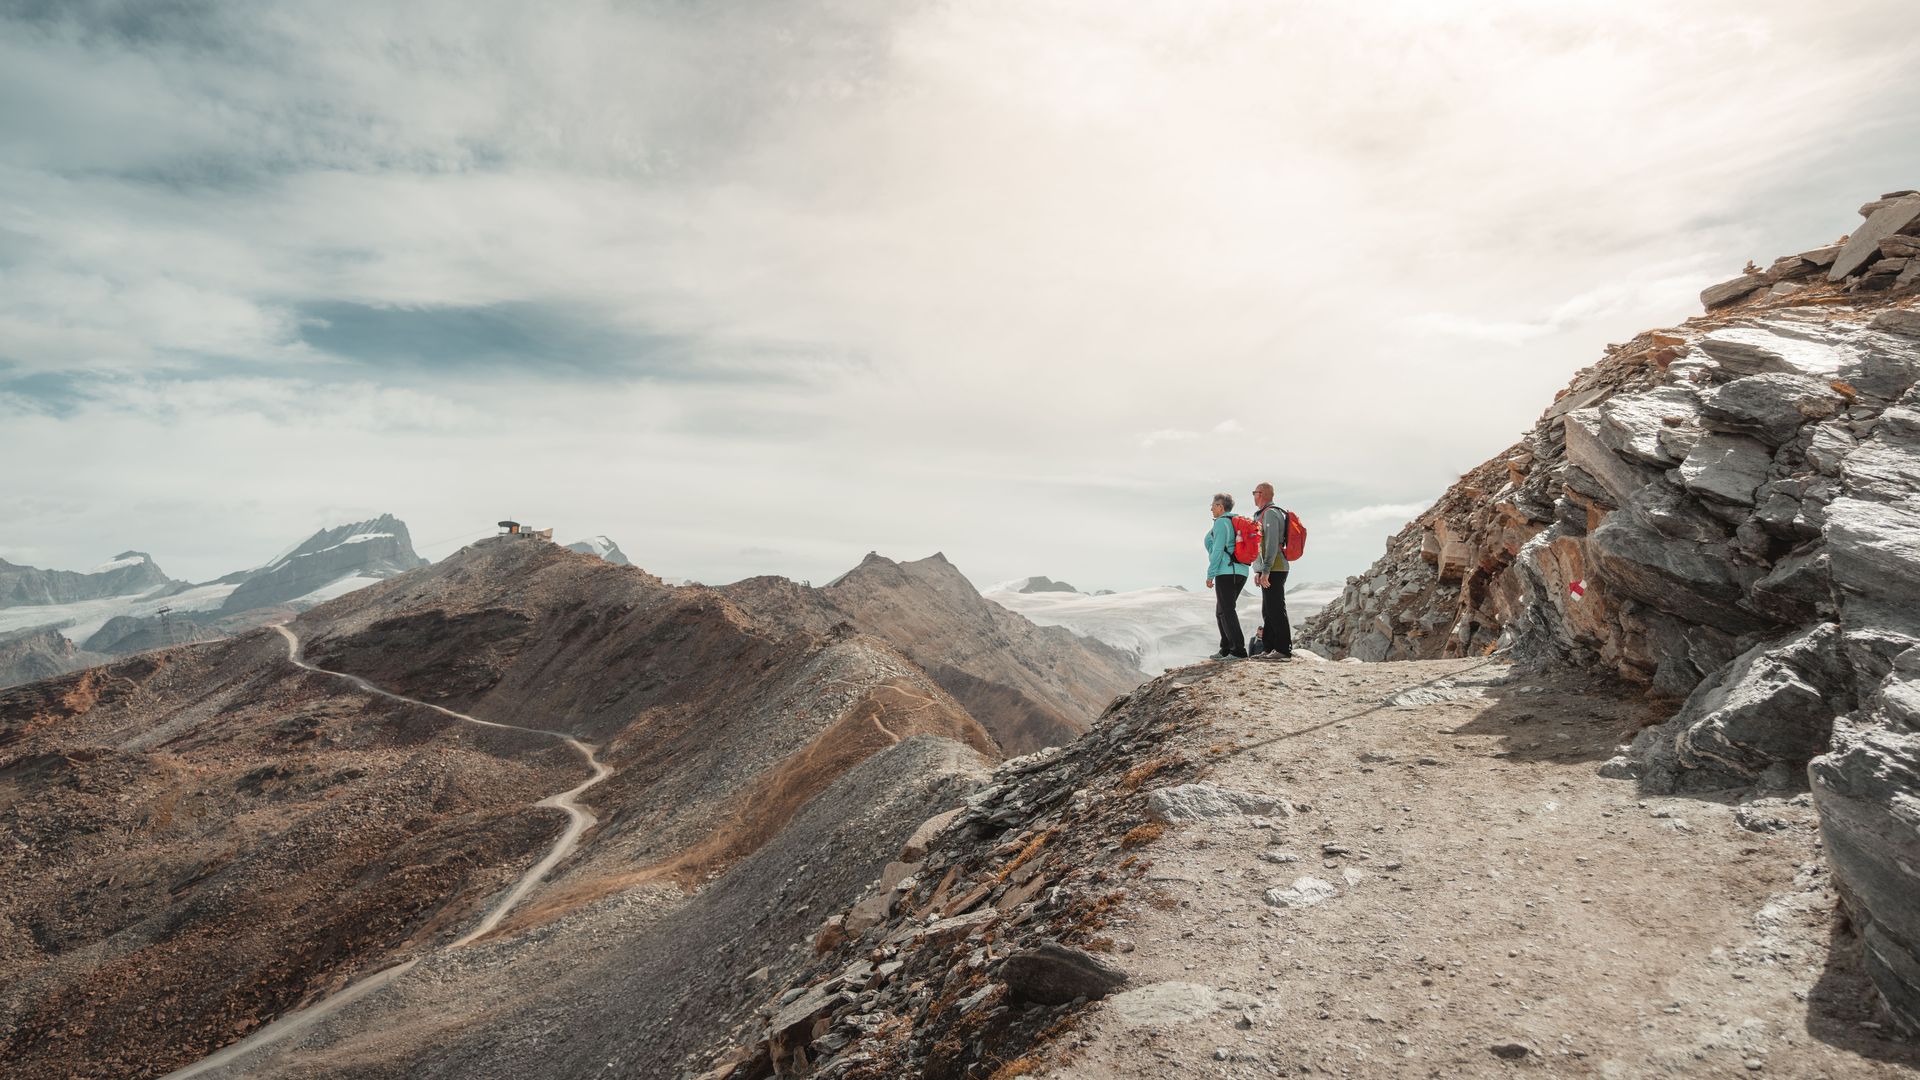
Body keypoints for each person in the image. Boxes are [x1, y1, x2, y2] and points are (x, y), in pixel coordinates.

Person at [1248, 482, 1293, 659]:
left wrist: (1265, 570)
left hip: (1276, 568)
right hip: (1268, 568)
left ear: (1262, 494)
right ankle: (1268, 648)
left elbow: (1271, 543)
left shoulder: (1272, 514)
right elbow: (1261, 546)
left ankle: (1283, 649)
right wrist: (1259, 570)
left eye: (1254, 492)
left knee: (1275, 608)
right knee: (1267, 610)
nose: (1253, 496)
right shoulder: (1263, 514)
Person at [1203, 492, 1250, 661]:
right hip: (1241, 571)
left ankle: (1238, 651)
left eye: (1213, 505)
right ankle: (1225, 649)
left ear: (1220, 507)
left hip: (1226, 571)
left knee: (1227, 611)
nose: (1211, 508)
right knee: (1221, 611)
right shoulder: (1233, 522)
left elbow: (1217, 550)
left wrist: (1211, 574)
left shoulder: (1222, 523)